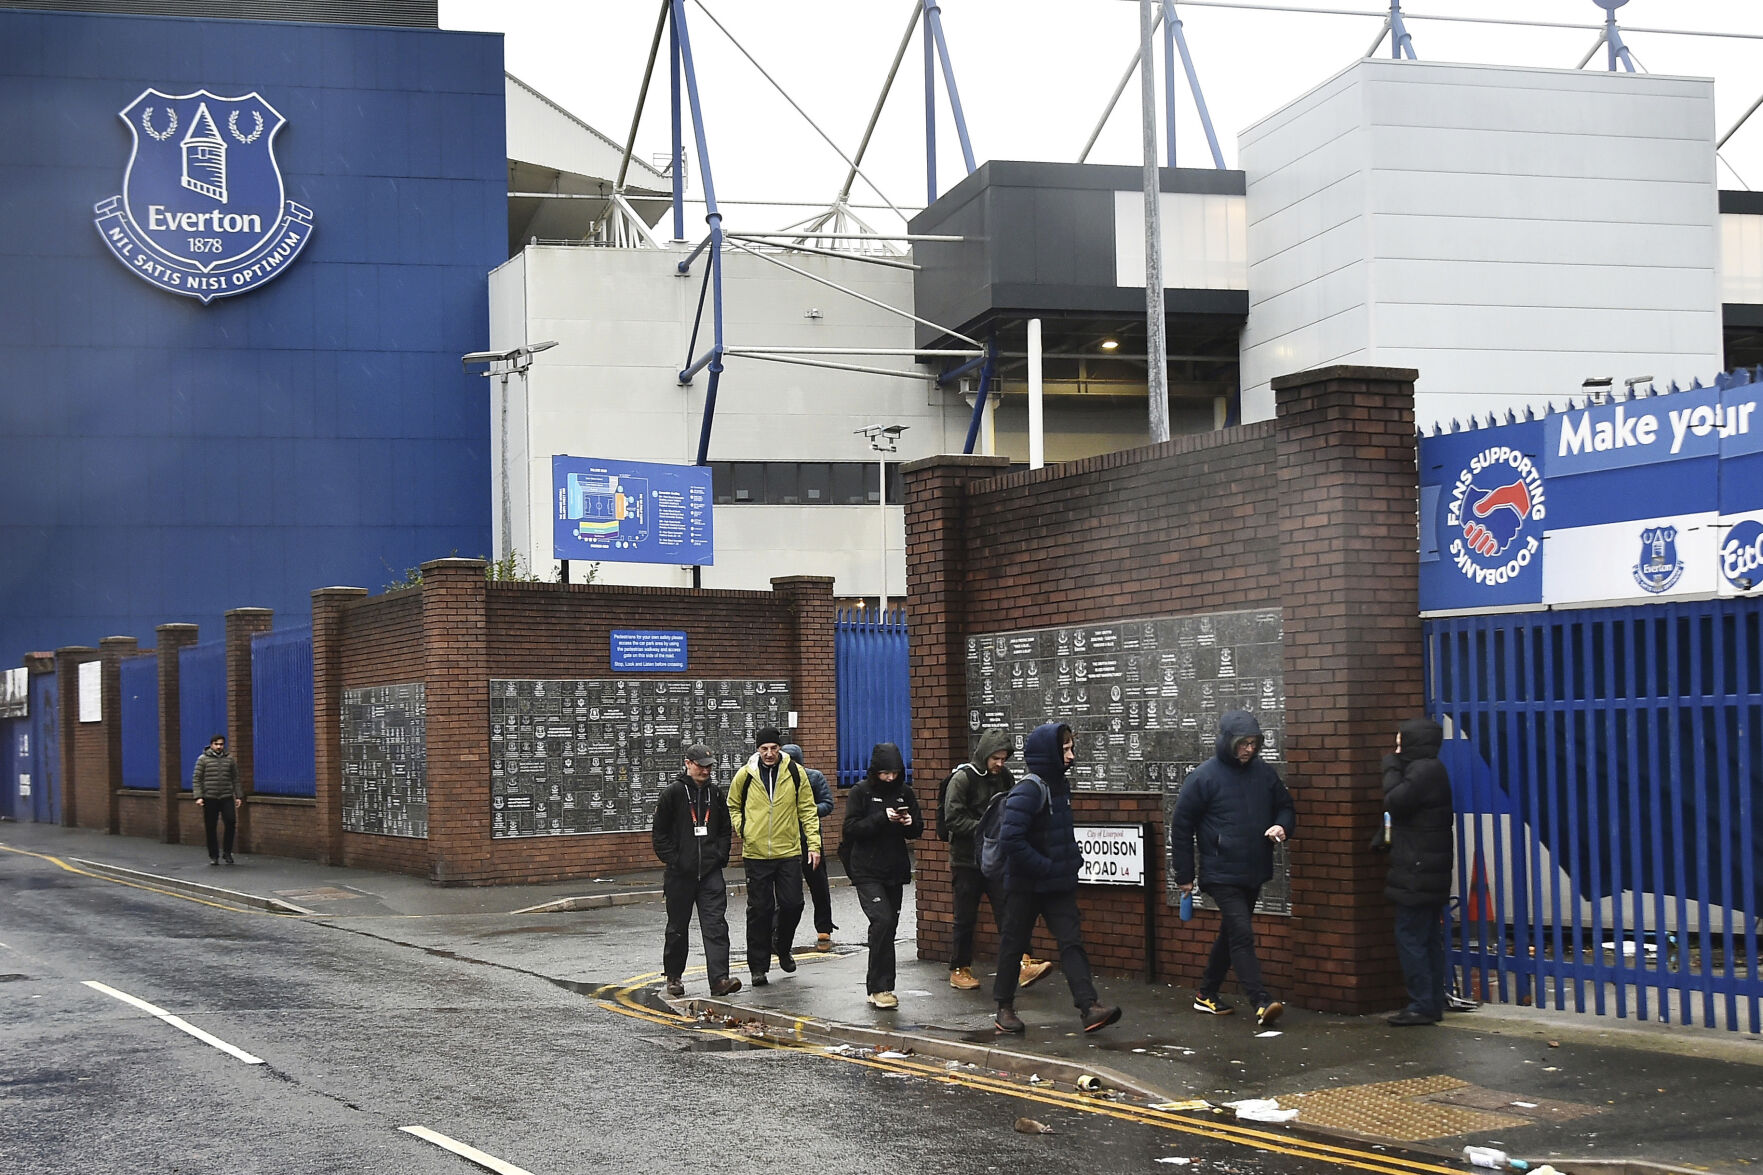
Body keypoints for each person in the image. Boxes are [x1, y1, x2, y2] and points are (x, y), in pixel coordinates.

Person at [991, 721, 1121, 1035]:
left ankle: (1089, 1007)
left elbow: (1057, 834)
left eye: (1071, 749)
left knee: (1071, 942)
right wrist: (1047, 867)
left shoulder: (1060, 787)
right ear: (1048, 753)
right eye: (1065, 750)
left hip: (1056, 884)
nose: (1071, 756)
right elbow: (1012, 841)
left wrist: (1071, 861)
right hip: (1026, 884)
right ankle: (1004, 1008)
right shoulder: (1028, 789)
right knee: (1013, 944)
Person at [1170, 709, 1296, 1030]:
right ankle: (1261, 1000)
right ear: (1227, 741)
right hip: (1220, 872)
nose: (1249, 750)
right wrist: (1184, 877)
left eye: (1254, 743)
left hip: (1254, 868)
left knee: (1230, 933)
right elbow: (1181, 826)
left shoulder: (1264, 775)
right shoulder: (1204, 777)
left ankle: (1206, 992)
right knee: (1241, 932)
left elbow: (1285, 806)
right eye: (1243, 743)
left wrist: (1282, 826)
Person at [942, 729, 1052, 991]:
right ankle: (959, 968)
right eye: (995, 759)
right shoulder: (963, 778)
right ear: (984, 755)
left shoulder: (1005, 777)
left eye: (1003, 759)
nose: (999, 764)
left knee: (1011, 911)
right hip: (967, 860)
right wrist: (985, 828)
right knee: (965, 918)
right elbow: (953, 819)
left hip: (997, 859)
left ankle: (1023, 963)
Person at [727, 727, 821, 987]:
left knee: (793, 904)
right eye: (764, 749)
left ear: (780, 749)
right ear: (757, 750)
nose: (769, 753)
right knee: (760, 910)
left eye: (774, 748)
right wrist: (743, 828)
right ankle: (758, 967)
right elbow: (733, 804)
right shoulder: (745, 775)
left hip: (788, 851)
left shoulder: (794, 772)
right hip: (756, 853)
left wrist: (814, 845)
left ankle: (782, 944)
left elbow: (807, 810)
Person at [651, 743, 742, 998]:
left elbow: (725, 829)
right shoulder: (673, 794)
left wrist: (720, 856)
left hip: (711, 873)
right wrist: (675, 860)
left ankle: (720, 979)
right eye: (700, 765)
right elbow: (659, 834)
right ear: (688, 764)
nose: (705, 770)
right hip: (681, 874)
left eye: (708, 766)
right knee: (677, 928)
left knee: (716, 926)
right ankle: (674, 977)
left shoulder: (716, 794)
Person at [1380, 717, 1454, 1026]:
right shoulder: (1431, 769)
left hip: (1417, 870)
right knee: (1425, 937)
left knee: (1410, 935)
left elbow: (1394, 801)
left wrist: (1390, 765)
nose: (1397, 749)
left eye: (1400, 743)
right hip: (1427, 869)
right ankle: (1432, 1000)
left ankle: (1422, 1004)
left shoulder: (1423, 770)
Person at [840, 742, 922, 1009]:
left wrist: (910, 824)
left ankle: (879, 986)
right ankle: (880, 988)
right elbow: (851, 829)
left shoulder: (904, 793)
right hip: (866, 870)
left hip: (894, 870)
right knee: (883, 921)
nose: (890, 778)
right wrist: (880, 818)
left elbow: (917, 828)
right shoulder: (860, 792)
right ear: (875, 771)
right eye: (885, 773)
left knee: (887, 929)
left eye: (895, 773)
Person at [781, 743, 838, 951]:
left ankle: (824, 927)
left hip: (809, 840)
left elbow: (828, 804)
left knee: (819, 885)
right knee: (786, 891)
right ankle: (779, 932)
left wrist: (807, 810)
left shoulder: (814, 777)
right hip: (784, 841)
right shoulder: (777, 780)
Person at [191, 733, 241, 866]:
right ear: (211, 744)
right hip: (210, 797)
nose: (219, 747)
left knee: (231, 822)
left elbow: (235, 778)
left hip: (226, 797)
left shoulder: (229, 759)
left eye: (221, 744)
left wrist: (239, 796)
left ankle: (227, 852)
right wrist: (198, 796)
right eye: (216, 744)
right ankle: (214, 855)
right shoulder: (203, 759)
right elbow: (197, 779)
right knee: (211, 827)